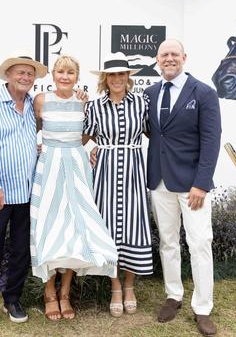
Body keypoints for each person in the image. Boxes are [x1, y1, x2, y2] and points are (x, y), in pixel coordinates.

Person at [30, 54, 118, 321]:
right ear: (53, 75)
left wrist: (88, 152)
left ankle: (65, 293)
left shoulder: (84, 103)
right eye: (60, 72)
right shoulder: (41, 100)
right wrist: (40, 145)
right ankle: (49, 293)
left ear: (77, 77)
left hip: (77, 168)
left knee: (75, 229)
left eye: (70, 72)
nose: (65, 76)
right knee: (48, 227)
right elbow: (33, 130)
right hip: (49, 169)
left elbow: (87, 134)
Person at [143, 39, 221, 336]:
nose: (169, 59)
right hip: (160, 181)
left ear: (184, 58)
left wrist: (201, 183)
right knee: (168, 241)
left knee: (200, 243)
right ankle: (173, 295)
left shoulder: (203, 93)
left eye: (175, 54)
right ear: (158, 60)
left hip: (192, 186)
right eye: (164, 55)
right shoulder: (150, 93)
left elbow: (211, 141)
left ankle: (202, 309)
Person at [0, 53, 48, 331]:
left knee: (20, 250)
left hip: (26, 193)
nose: (26, 78)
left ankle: (12, 299)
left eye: (30, 74)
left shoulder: (31, 105)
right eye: (20, 73)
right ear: (8, 75)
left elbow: (32, 141)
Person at [83, 52, 153, 318]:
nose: (117, 79)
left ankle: (129, 287)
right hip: (106, 172)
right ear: (105, 78)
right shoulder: (94, 107)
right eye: (112, 74)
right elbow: (81, 139)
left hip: (134, 170)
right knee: (109, 226)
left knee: (134, 225)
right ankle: (114, 287)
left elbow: (155, 134)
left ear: (128, 77)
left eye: (121, 74)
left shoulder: (142, 103)